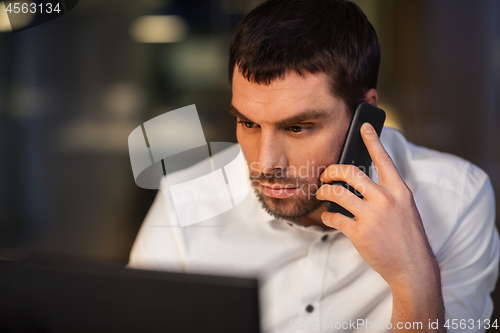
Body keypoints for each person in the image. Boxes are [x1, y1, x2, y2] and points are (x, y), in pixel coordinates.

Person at [128, 0, 499, 332]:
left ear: (364, 114)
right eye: (248, 123)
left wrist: (412, 277)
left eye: (297, 127)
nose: (265, 162)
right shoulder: (185, 203)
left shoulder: (457, 199)